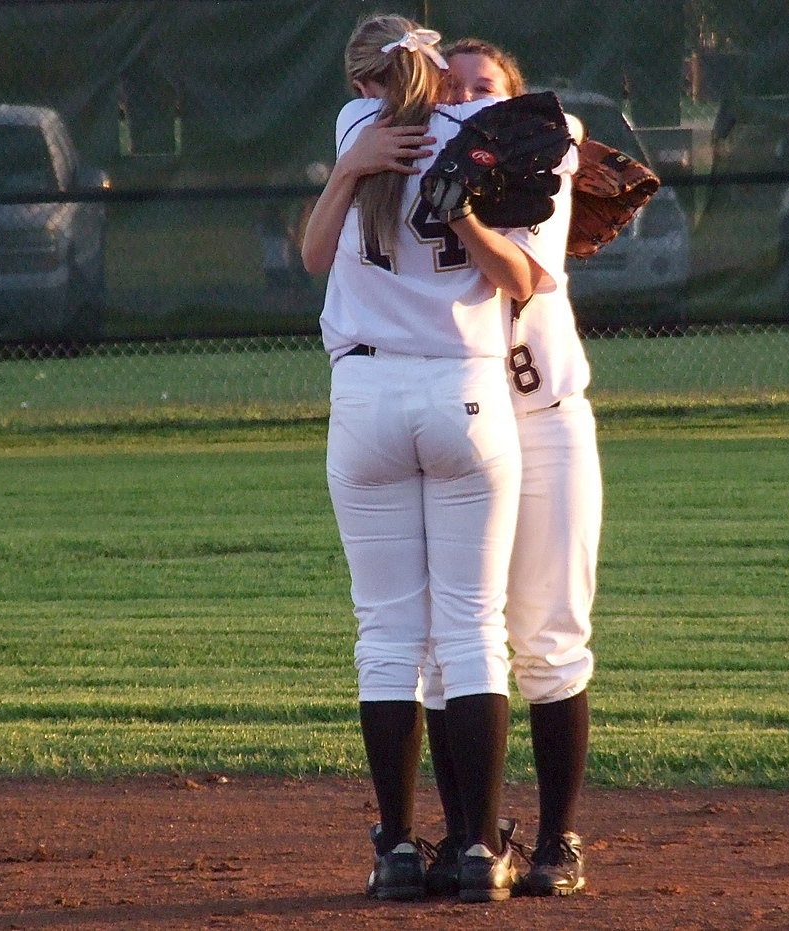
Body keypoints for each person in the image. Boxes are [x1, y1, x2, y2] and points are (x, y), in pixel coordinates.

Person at [299, 14, 563, 904]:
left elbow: (317, 251)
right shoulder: (492, 134)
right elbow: (524, 273)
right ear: (438, 68)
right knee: (472, 628)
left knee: (386, 635)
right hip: (466, 391)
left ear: (367, 79)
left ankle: (398, 853)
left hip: (367, 395)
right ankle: (481, 851)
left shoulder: (354, 128)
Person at [420, 38, 602, 898]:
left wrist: (463, 207)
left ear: (511, 99)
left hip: (547, 424)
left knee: (550, 639)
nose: (463, 98)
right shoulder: (413, 163)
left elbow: (522, 277)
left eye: (482, 87)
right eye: (448, 86)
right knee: (452, 644)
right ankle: (469, 841)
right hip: (461, 428)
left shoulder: (537, 153)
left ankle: (559, 841)